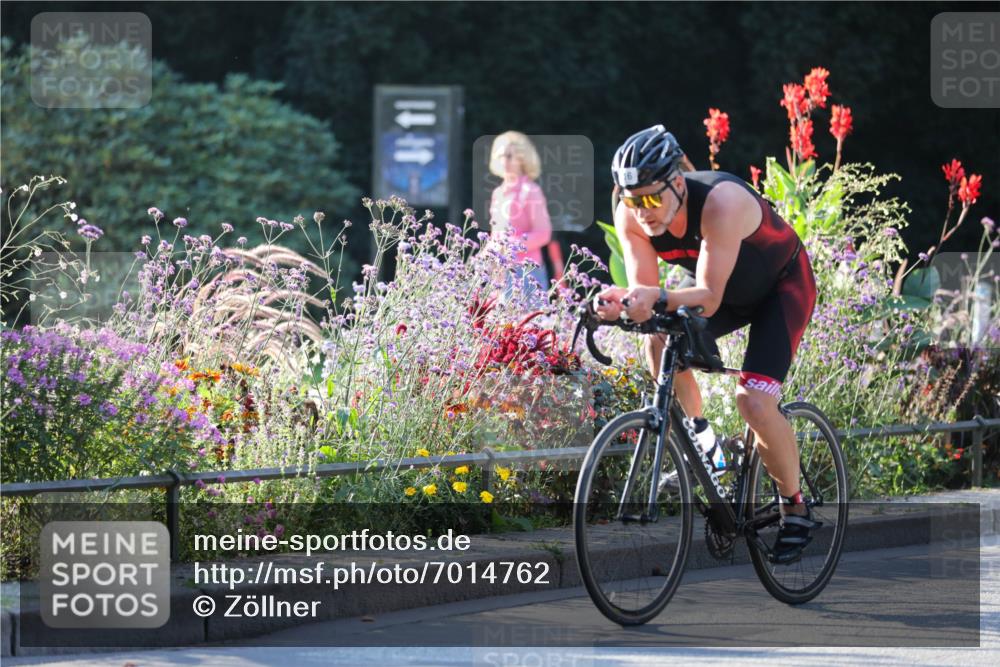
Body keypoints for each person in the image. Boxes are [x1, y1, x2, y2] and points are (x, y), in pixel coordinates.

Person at [595, 124, 819, 565]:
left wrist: (652, 299)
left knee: (754, 402)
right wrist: (619, 301)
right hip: (726, 295)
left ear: (678, 183)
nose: (642, 211)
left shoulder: (721, 202)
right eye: (631, 199)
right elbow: (647, 296)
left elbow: (709, 296)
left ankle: (795, 506)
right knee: (658, 341)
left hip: (781, 288)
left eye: (651, 198)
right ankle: (707, 447)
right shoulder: (632, 213)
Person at [488, 132, 553, 299]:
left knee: (529, 324)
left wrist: (510, 246)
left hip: (526, 272)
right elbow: (495, 233)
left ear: (522, 159)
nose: (504, 161)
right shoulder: (498, 193)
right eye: (501, 155)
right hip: (499, 272)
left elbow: (543, 234)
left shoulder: (531, 191)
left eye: (510, 156)